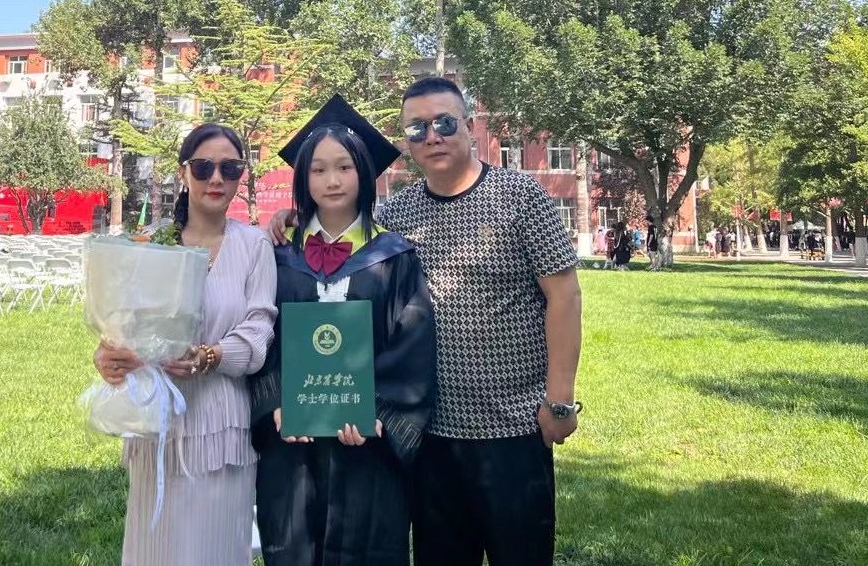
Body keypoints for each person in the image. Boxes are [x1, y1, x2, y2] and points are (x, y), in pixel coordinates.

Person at [269, 77, 583, 566]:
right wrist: (292, 218)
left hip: (513, 427)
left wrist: (558, 401)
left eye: (444, 123)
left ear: (470, 125)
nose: (432, 136)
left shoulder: (521, 197)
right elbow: (339, 224)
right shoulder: (397, 214)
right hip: (429, 435)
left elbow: (564, 296)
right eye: (417, 128)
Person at [249, 96, 437, 566]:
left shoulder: (394, 255)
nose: (331, 181)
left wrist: (378, 412)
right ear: (302, 179)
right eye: (318, 170)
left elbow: (412, 342)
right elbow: (259, 332)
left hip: (366, 449)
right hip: (292, 450)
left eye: (344, 168)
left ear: (364, 174)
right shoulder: (277, 254)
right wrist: (275, 402)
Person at [93, 123, 277, 566]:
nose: (216, 178)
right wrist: (108, 354)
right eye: (203, 167)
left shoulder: (254, 246)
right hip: (158, 422)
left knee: (215, 548)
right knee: (156, 549)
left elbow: (258, 331)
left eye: (230, 168)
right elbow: (122, 321)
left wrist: (210, 356)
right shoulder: (151, 242)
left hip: (221, 425)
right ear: (183, 172)